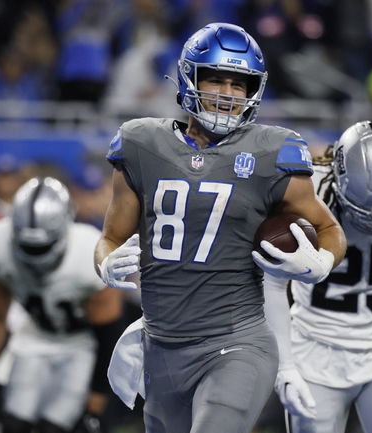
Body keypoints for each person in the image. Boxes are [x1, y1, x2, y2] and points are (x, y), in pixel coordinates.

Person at [94, 22, 346, 433]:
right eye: (215, 79)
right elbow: (110, 238)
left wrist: (320, 261)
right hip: (161, 347)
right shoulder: (140, 143)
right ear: (189, 78)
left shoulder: (272, 151)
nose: (227, 94)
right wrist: (105, 262)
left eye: (239, 84)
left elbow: (330, 229)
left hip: (236, 343)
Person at [264, 120, 372, 432]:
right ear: (339, 184)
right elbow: (273, 283)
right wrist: (285, 365)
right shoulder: (308, 194)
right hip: (315, 352)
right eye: (368, 212)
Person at [0, 176, 124, 433]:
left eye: (42, 246)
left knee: (56, 427)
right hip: (34, 337)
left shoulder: (91, 254)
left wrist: (95, 405)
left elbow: (108, 337)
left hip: (82, 345)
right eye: (28, 246)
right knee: (14, 424)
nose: (35, 256)